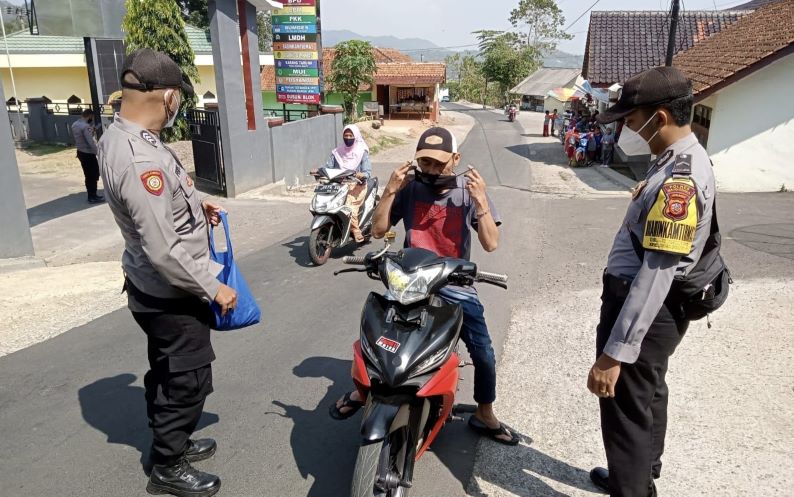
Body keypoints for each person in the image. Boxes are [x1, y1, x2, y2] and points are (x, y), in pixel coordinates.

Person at [98, 48, 237, 497]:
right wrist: (213, 287)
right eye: (179, 95)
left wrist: (197, 205)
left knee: (166, 369)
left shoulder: (124, 136)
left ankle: (172, 441)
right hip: (171, 293)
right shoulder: (142, 160)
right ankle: (168, 465)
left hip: (149, 286)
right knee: (186, 379)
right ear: (167, 96)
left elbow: (159, 212)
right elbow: (162, 247)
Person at [329, 127, 519, 445]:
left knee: (483, 352)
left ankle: (484, 412)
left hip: (453, 283)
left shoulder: (467, 191)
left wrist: (481, 201)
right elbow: (378, 232)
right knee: (375, 337)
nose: (431, 170)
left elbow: (491, 243)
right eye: (425, 163)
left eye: (439, 164)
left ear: (455, 159)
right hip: (407, 279)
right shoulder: (410, 188)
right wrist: (390, 191)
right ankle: (364, 391)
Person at [586, 66, 716, 497]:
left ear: (658, 118)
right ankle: (641, 474)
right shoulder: (678, 161)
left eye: (629, 117)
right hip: (657, 308)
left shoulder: (679, 178)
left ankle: (632, 485)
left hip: (643, 305)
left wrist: (615, 353)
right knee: (648, 395)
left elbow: (657, 270)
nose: (625, 126)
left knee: (624, 408)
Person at [320, 124, 372, 243]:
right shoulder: (337, 152)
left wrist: (362, 175)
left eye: (350, 135)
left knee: (348, 205)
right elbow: (328, 167)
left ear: (356, 136)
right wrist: (319, 171)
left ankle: (356, 230)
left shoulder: (361, 152)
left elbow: (367, 171)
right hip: (338, 185)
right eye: (345, 135)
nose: (348, 137)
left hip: (357, 185)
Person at [71, 109, 104, 203]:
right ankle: (93, 196)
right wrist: (98, 152)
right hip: (88, 153)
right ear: (89, 116)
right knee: (93, 175)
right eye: (92, 117)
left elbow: (81, 136)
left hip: (80, 152)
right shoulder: (85, 126)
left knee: (88, 175)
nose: (92, 119)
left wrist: (91, 130)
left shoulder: (75, 124)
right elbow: (90, 142)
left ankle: (91, 195)